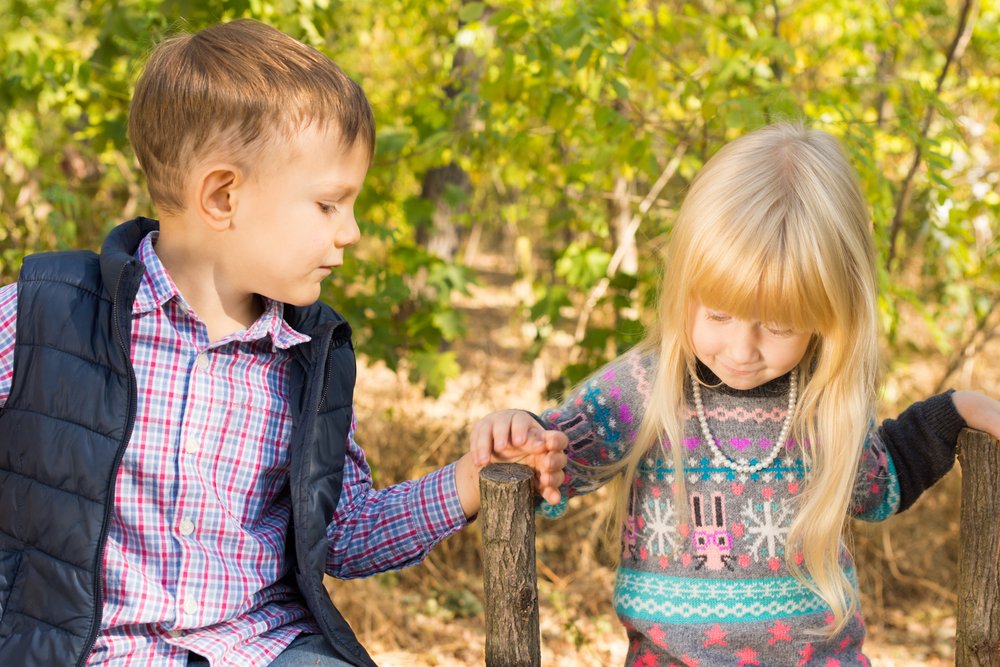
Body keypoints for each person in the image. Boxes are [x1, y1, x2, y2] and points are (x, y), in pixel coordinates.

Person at [0, 19, 567, 667]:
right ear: (222, 196)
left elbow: (345, 533)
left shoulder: (308, 359)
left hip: (256, 644)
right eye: (330, 204)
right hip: (86, 647)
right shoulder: (46, 317)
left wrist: (469, 478)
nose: (351, 231)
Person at [470, 122, 1000, 666]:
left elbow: (882, 481)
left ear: (828, 319)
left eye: (778, 326)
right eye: (718, 314)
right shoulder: (648, 388)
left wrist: (958, 410)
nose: (742, 349)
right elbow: (559, 451)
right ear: (685, 290)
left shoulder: (823, 402)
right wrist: (524, 436)